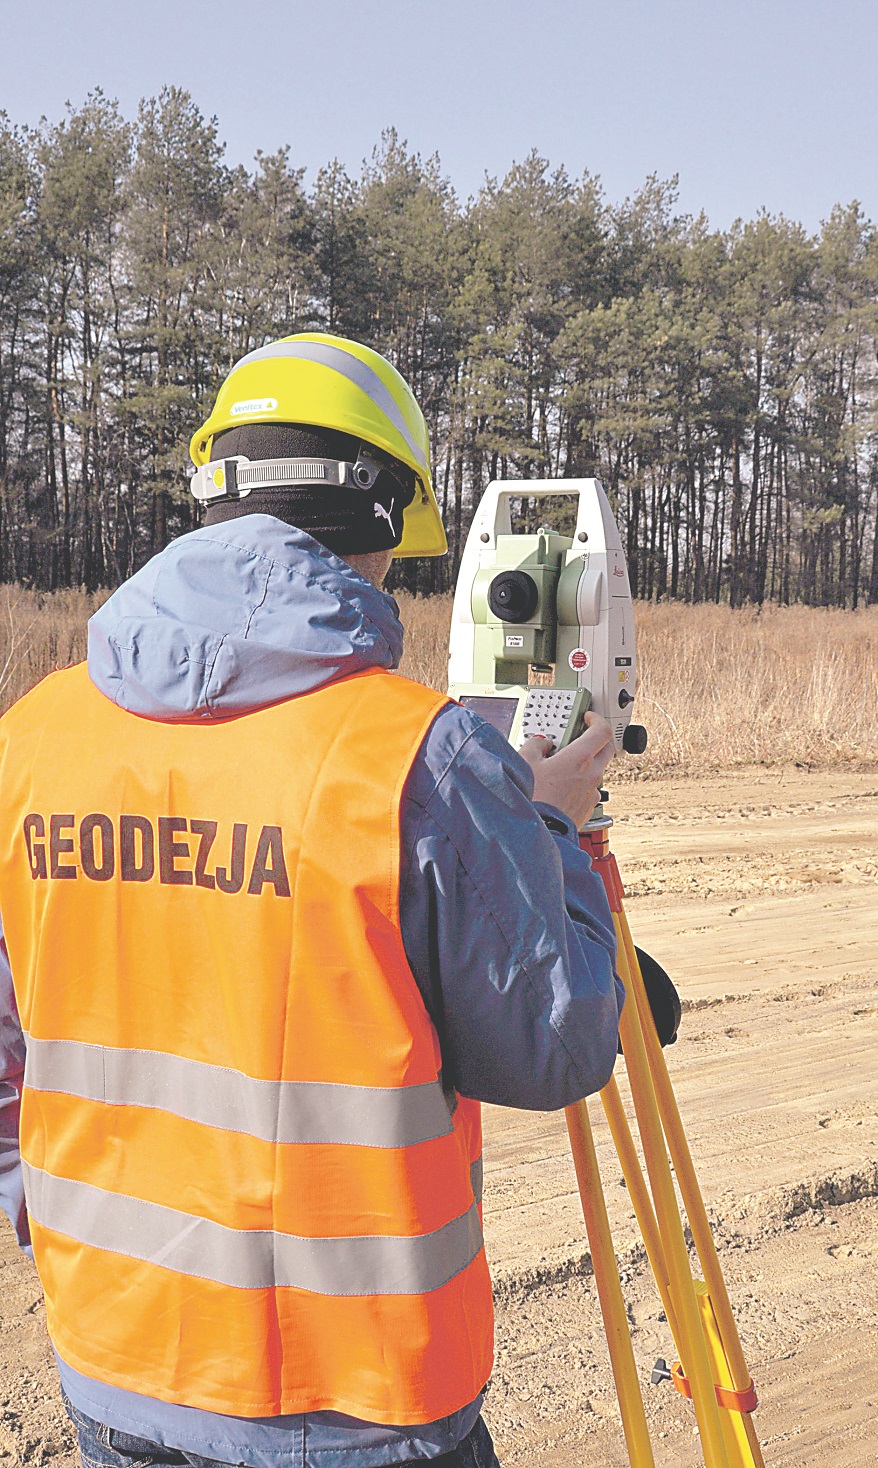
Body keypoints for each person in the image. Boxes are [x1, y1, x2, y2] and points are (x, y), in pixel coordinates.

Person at [0, 333, 622, 1468]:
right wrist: (548, 827)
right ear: (385, 518)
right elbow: (555, 1046)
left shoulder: (33, 738)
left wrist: (49, 1217)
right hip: (356, 1397)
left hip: (118, 1362)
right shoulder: (419, 762)